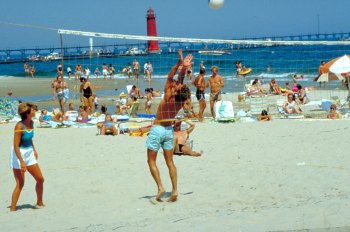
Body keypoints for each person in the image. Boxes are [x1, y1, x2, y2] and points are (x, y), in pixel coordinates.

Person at [146, 49, 192, 202]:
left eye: (178, 86)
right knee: (170, 161)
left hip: (159, 128)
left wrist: (180, 63)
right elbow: (180, 78)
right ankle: (175, 191)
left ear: (176, 91)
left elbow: (172, 76)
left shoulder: (167, 94)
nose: (177, 84)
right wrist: (184, 68)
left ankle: (160, 187)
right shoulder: (179, 101)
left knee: (151, 160)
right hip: (168, 131)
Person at [10, 102, 45, 211]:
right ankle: (13, 208)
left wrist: (34, 150)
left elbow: (29, 139)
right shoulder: (19, 126)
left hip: (29, 152)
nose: (35, 111)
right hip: (18, 154)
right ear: (27, 113)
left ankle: (39, 202)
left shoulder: (32, 122)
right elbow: (15, 145)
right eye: (33, 110)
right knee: (20, 183)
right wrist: (22, 162)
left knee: (40, 179)